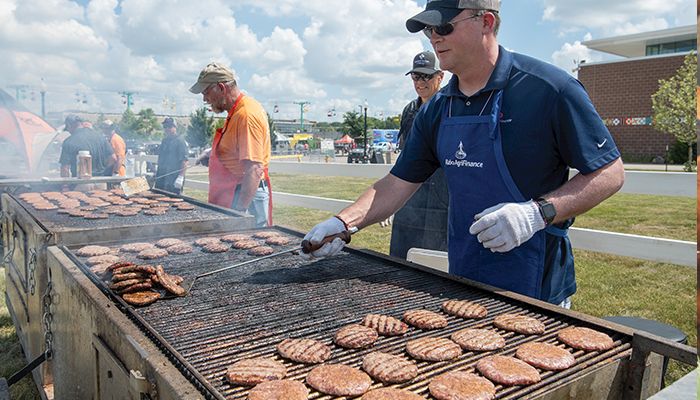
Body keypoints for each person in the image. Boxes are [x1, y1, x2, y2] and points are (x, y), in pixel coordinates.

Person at [303, 0, 625, 308]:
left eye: (443, 26)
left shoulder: (550, 89)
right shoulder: (439, 109)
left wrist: (536, 214)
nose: (434, 38)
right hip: (464, 278)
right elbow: (397, 183)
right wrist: (343, 223)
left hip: (538, 286)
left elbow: (610, 173)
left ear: (486, 22)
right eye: (428, 31)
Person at [189, 62, 272, 227]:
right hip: (234, 189)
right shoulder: (235, 112)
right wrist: (213, 156)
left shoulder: (246, 115)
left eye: (206, 92)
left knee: (250, 243)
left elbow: (254, 169)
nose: (205, 99)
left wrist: (240, 212)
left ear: (221, 87)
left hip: (245, 195)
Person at [388, 50, 448, 259]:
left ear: (440, 76)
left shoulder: (450, 107)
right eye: (416, 76)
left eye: (426, 76)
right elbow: (404, 153)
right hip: (409, 194)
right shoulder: (410, 110)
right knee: (401, 253)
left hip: (441, 196)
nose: (420, 82)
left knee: (435, 257)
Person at [154, 117, 188, 194]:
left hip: (173, 178)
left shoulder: (180, 141)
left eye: (169, 126)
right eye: (165, 127)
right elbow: (161, 158)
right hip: (161, 177)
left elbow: (184, 161)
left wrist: (181, 177)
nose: (167, 129)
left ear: (175, 127)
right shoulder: (164, 141)